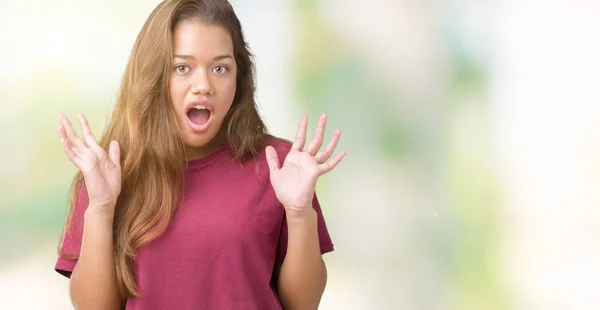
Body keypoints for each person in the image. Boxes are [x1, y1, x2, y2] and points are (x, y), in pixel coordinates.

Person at [54, 0, 345, 309]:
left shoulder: (282, 167)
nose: (203, 85)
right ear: (154, 76)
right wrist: (100, 207)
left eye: (220, 68)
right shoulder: (110, 172)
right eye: (182, 68)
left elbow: (303, 304)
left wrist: (300, 213)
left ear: (239, 77)